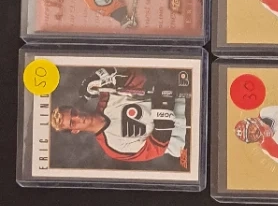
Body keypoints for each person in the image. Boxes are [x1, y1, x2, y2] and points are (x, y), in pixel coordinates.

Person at [50, 68, 187, 163]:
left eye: (73, 113)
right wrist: (163, 105)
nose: (78, 118)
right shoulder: (111, 147)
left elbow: (138, 76)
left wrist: (102, 78)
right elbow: (157, 147)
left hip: (187, 106)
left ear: (75, 108)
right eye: (72, 123)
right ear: (75, 130)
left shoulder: (108, 94)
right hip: (186, 141)